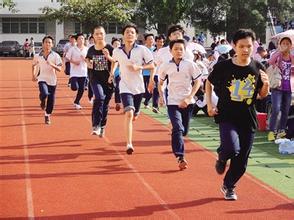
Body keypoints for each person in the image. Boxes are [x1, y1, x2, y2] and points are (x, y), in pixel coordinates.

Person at [205, 29, 269, 200]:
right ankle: (222, 156)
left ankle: (228, 185)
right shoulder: (224, 66)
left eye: (249, 46)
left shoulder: (258, 67)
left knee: (241, 163)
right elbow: (208, 83)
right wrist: (210, 105)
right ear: (234, 46)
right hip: (227, 115)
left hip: (248, 118)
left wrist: (266, 86)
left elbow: (262, 95)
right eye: (242, 46)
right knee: (231, 148)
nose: (246, 50)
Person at [109, 23, 155, 154]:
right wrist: (112, 73)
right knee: (128, 113)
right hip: (124, 86)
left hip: (139, 87)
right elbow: (115, 61)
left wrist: (141, 69)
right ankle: (129, 143)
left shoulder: (142, 50)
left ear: (136, 36)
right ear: (123, 35)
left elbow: (152, 65)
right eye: (127, 32)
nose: (130, 34)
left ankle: (137, 111)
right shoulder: (117, 51)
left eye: (132, 32)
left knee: (134, 114)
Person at [158, 39, 202, 170]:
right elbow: (160, 83)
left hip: (188, 102)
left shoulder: (190, 65)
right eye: (176, 49)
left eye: (181, 49)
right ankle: (180, 156)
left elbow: (198, 82)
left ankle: (178, 139)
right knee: (177, 128)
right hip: (172, 102)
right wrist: (161, 97)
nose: (178, 51)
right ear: (171, 51)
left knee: (184, 131)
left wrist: (189, 98)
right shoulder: (165, 66)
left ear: (184, 50)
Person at [86, 26, 114, 137]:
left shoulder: (110, 48)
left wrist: (111, 74)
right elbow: (87, 58)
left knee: (105, 104)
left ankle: (102, 126)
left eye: (101, 33)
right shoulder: (91, 49)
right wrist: (88, 62)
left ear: (104, 34)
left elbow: (115, 62)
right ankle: (96, 125)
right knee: (99, 97)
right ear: (93, 35)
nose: (99, 36)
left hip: (108, 79)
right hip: (95, 78)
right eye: (96, 34)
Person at [267, 37, 294, 141]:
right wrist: (279, 52)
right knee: (276, 109)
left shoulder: (292, 57)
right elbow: (270, 62)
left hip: (289, 88)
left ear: (291, 46)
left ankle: (281, 130)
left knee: (285, 110)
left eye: (287, 43)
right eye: (283, 43)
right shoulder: (277, 56)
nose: (285, 45)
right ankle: (272, 131)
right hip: (277, 87)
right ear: (279, 45)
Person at [32, 35, 62, 124]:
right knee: (44, 93)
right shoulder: (37, 56)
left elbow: (60, 69)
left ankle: (47, 115)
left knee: (51, 101)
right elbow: (33, 65)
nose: (47, 44)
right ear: (42, 44)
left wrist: (52, 64)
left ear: (52, 45)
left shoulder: (56, 56)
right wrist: (33, 75)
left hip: (52, 80)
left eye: (49, 42)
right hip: (42, 78)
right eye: (46, 42)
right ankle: (42, 99)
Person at [66, 33, 88, 110]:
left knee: (82, 89)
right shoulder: (72, 49)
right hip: (74, 72)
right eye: (79, 39)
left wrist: (85, 59)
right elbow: (67, 58)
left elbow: (89, 60)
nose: (81, 40)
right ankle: (76, 100)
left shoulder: (86, 49)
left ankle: (77, 102)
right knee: (74, 87)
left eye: (82, 39)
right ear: (76, 40)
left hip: (83, 71)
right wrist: (74, 62)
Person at [111, 38, 122, 111]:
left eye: (118, 44)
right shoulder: (109, 53)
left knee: (118, 88)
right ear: (112, 45)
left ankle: (118, 102)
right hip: (110, 74)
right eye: (115, 44)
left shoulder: (122, 53)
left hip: (119, 73)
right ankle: (106, 103)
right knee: (109, 89)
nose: (117, 45)